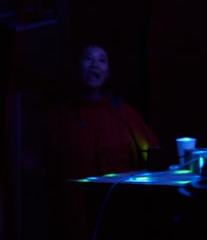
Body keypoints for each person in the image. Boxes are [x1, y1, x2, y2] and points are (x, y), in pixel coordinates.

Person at [44, 43, 161, 239]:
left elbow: (152, 156)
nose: (94, 65)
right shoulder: (57, 115)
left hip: (114, 214)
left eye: (101, 60)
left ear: (108, 72)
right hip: (68, 216)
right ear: (76, 66)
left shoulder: (124, 114)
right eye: (88, 58)